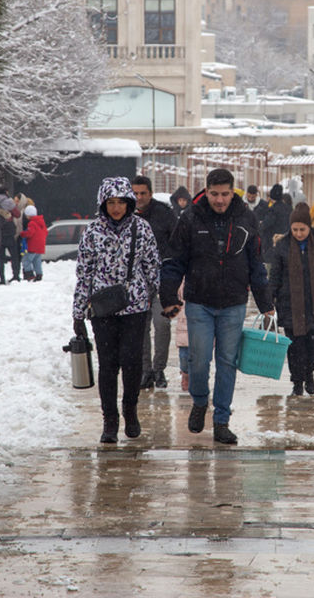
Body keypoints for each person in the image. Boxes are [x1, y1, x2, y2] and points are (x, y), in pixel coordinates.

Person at [160, 167, 275, 445]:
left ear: (232, 191)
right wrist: (169, 297)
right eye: (214, 194)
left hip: (233, 303)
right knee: (198, 361)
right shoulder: (191, 217)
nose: (220, 200)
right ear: (206, 191)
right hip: (199, 301)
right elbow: (175, 260)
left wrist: (265, 303)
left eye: (225, 194)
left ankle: (222, 420)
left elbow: (256, 263)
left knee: (227, 363)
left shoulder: (246, 218)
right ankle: (200, 402)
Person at [72, 177, 161, 444]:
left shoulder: (142, 228)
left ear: (129, 202)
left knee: (132, 363)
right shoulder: (92, 232)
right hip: (102, 308)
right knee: (108, 365)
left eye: (121, 202)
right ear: (103, 203)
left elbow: (152, 265)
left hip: (134, 306)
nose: (116, 208)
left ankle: (130, 411)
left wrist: (155, 296)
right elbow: (83, 273)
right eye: (110, 202)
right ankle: (109, 419)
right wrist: (78, 313)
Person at [269, 203, 314, 396]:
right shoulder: (282, 246)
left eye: (302, 229)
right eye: (295, 229)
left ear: (309, 227)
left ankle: (310, 373)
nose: (299, 233)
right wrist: (271, 297)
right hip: (290, 304)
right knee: (295, 347)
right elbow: (275, 275)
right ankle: (297, 382)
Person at [131, 175, 177, 389]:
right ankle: (145, 371)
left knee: (162, 324)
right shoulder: (125, 214)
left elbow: (176, 243)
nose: (139, 198)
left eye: (143, 193)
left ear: (150, 193)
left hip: (160, 278)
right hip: (135, 281)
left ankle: (159, 369)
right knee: (140, 328)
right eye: (135, 193)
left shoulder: (164, 214)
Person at [260, 184, 292, 267]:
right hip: (286, 242)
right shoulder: (289, 209)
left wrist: (260, 225)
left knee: (272, 269)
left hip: (272, 243)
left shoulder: (273, 210)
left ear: (271, 196)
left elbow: (265, 225)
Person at [0, 188, 20, 284]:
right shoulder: (9, 202)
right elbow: (17, 214)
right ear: (6, 192)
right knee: (14, 255)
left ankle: (2, 278)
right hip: (9, 230)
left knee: (0, 257)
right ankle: (16, 275)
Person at [19, 204, 47, 281]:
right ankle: (39, 275)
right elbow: (46, 232)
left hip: (32, 246)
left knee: (26, 260)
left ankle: (29, 275)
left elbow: (30, 233)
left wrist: (22, 234)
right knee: (37, 261)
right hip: (40, 246)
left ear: (29, 215)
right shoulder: (41, 222)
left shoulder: (32, 223)